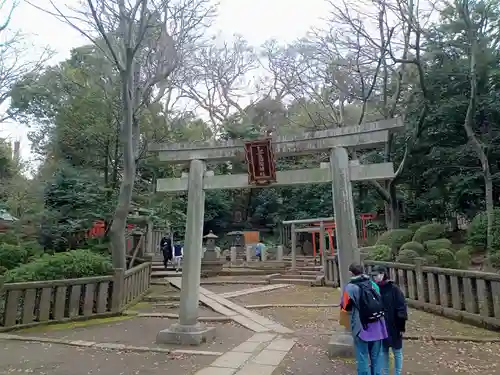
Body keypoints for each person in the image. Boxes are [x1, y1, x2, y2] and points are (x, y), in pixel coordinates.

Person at [340, 263, 388, 375]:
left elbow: (345, 306)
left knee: (362, 357)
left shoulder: (350, 288)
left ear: (351, 273)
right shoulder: (373, 285)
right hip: (377, 327)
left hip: (361, 327)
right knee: (376, 358)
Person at [372, 266, 407, 375]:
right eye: (374, 275)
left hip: (394, 324)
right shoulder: (374, 289)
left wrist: (401, 326)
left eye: (377, 274)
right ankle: (385, 372)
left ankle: (398, 373)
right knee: (384, 351)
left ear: (383, 274)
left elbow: (401, 307)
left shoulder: (394, 289)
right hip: (380, 325)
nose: (375, 277)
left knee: (397, 351)